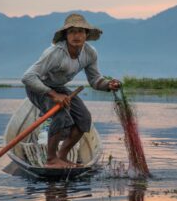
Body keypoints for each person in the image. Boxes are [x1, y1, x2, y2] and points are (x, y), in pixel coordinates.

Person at [22, 13, 120, 168]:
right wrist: (53, 95)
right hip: (39, 88)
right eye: (72, 31)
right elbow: (28, 77)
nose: (76, 35)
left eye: (80, 31)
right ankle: (51, 159)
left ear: (86, 35)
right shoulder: (55, 53)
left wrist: (108, 85)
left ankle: (62, 155)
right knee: (60, 115)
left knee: (84, 119)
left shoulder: (90, 53)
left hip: (59, 88)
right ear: (66, 35)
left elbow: (95, 80)